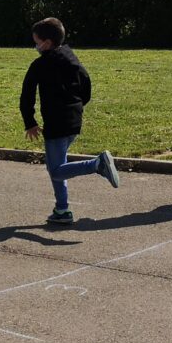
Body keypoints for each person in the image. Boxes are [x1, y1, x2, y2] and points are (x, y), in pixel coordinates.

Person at [21, 17, 120, 225]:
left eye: (36, 42)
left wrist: (30, 122)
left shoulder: (40, 65)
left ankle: (97, 164)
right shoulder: (70, 56)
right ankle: (62, 209)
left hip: (56, 122)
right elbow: (86, 83)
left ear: (46, 43)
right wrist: (78, 106)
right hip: (74, 119)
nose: (35, 46)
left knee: (56, 171)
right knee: (59, 165)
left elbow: (27, 95)